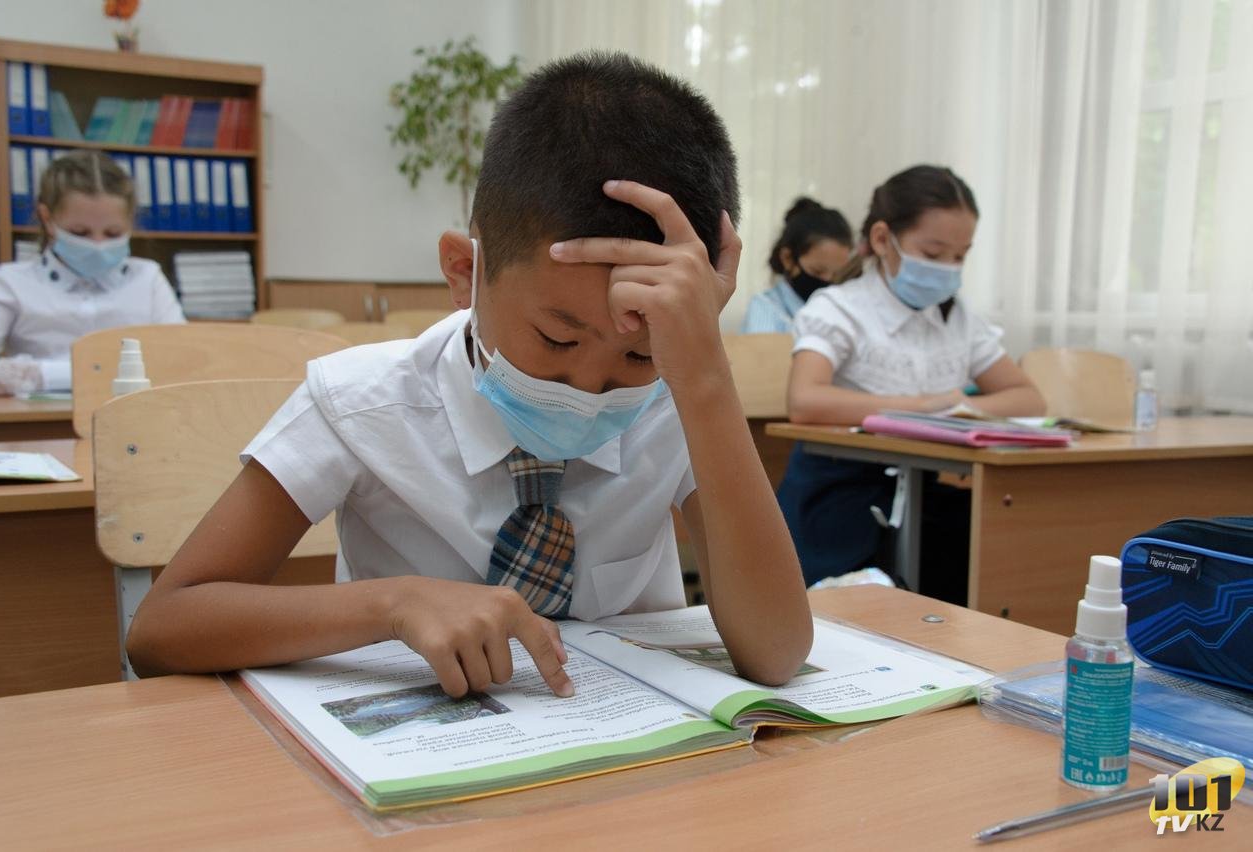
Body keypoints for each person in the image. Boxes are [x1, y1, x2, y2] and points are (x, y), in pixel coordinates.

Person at [126, 52, 813, 699]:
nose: (586, 387)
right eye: (557, 337)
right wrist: (392, 602)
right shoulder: (362, 402)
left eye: (640, 354)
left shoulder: (681, 397)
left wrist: (704, 377)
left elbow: (778, 653)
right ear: (465, 272)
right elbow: (161, 630)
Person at [777, 164, 1044, 601]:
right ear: (883, 239)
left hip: (923, 497)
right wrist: (922, 408)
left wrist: (958, 408)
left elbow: (1028, 399)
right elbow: (805, 401)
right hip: (837, 500)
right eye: (934, 254)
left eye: (960, 257)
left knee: (994, 551)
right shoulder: (839, 308)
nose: (948, 269)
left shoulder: (958, 318)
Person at [0, 150, 184, 396]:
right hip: (41, 418)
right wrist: (75, 373)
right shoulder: (12, 282)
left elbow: (187, 359)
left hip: (133, 416)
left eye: (113, 233)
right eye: (80, 232)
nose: (98, 245)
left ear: (130, 222)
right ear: (47, 219)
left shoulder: (148, 278)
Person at [741, 197, 852, 334]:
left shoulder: (841, 309)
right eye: (817, 271)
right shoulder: (766, 308)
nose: (828, 280)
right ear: (788, 259)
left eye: (836, 274)